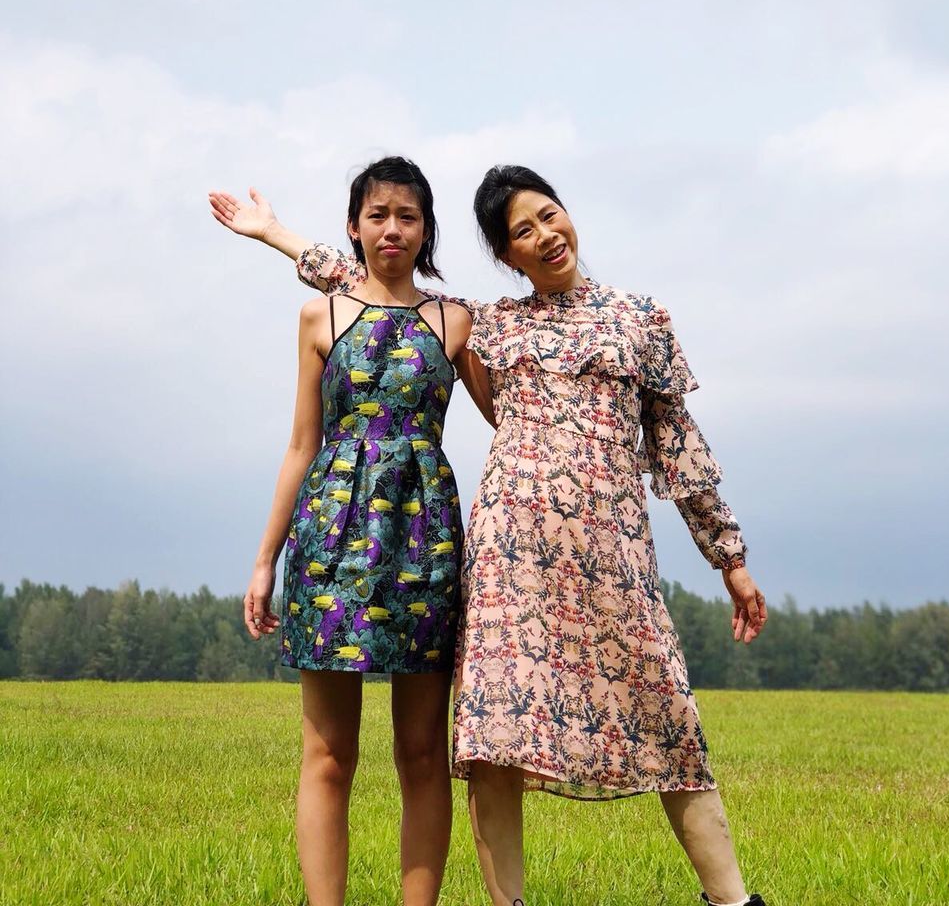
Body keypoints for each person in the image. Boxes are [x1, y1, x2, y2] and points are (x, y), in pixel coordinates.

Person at [209, 165, 768, 906]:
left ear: (570, 213)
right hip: (508, 560)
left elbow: (680, 448)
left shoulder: (638, 318)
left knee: (666, 711)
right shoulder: (495, 323)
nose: (544, 236)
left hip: (611, 553)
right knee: (493, 737)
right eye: (522, 232)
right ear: (507, 256)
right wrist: (276, 234)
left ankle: (732, 901)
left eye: (548, 216)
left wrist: (728, 556)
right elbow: (378, 290)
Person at [232, 157, 487, 906]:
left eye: (408, 217)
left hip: (425, 543)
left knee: (420, 752)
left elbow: (513, 421)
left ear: (426, 230)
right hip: (329, 543)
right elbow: (301, 445)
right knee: (329, 754)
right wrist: (262, 560)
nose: (392, 230)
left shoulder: (455, 320)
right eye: (377, 215)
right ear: (354, 227)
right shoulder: (323, 315)